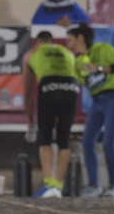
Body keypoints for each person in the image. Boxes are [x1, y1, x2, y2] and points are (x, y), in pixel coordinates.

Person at [67, 22, 114, 198]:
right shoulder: (78, 61)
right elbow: (79, 81)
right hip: (97, 101)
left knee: (108, 142)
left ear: (80, 38)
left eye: (70, 40)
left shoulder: (103, 48)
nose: (69, 45)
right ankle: (93, 185)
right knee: (87, 142)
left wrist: (99, 68)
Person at [24, 30, 79, 198]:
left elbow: (28, 91)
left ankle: (49, 185)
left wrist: (30, 120)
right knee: (64, 139)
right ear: (52, 40)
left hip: (48, 87)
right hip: (71, 88)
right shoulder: (67, 52)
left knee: (45, 138)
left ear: (37, 42)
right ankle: (58, 187)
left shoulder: (31, 53)